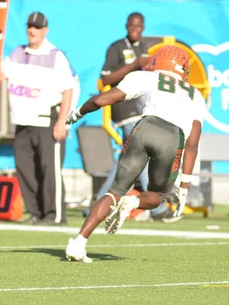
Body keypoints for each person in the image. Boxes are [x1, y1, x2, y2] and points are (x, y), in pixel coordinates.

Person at [65, 46, 205, 263]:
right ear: (183, 69)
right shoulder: (195, 95)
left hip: (144, 128)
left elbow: (102, 100)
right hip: (172, 138)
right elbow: (193, 145)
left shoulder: (145, 77)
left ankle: (79, 242)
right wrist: (184, 185)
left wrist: (78, 112)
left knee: (114, 191)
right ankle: (135, 203)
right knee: (159, 195)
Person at [97, 12, 178, 222]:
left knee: (124, 162)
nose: (135, 29)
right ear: (126, 26)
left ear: (143, 27)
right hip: (125, 110)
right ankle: (158, 209)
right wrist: (134, 64)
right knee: (142, 157)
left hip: (141, 108)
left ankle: (97, 205)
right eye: (132, 26)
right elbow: (106, 78)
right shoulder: (116, 47)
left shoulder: (143, 47)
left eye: (139, 26)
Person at [2, 12, 75, 226]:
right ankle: (35, 212)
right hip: (22, 120)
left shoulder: (54, 55)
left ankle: (54, 215)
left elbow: (68, 90)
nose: (32, 30)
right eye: (30, 26)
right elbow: (1, 74)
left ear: (45, 30)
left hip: (47, 120)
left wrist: (62, 122)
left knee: (49, 170)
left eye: (37, 27)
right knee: (25, 168)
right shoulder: (18, 53)